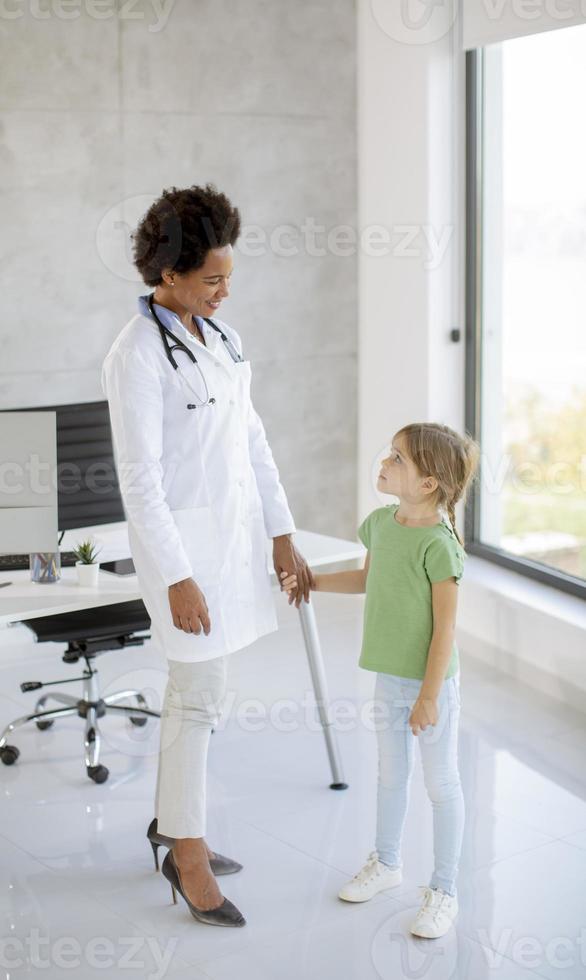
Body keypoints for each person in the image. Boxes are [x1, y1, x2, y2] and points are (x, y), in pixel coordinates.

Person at [101, 183, 314, 928]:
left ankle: (173, 826)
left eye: (229, 276)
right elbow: (140, 483)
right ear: (167, 275)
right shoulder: (134, 358)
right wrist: (179, 577)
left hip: (230, 543)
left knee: (205, 699)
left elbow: (250, 438)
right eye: (213, 278)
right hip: (184, 559)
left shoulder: (220, 338)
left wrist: (282, 531)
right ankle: (186, 854)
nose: (226, 291)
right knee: (194, 703)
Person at [281, 422, 480, 939]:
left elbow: (445, 630)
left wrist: (430, 697)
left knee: (441, 784)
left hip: (431, 685)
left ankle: (444, 890)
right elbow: (369, 580)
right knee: (391, 777)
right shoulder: (379, 524)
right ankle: (387, 864)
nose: (384, 463)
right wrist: (314, 581)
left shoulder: (439, 546)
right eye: (389, 454)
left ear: (428, 482)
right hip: (389, 679)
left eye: (398, 458)